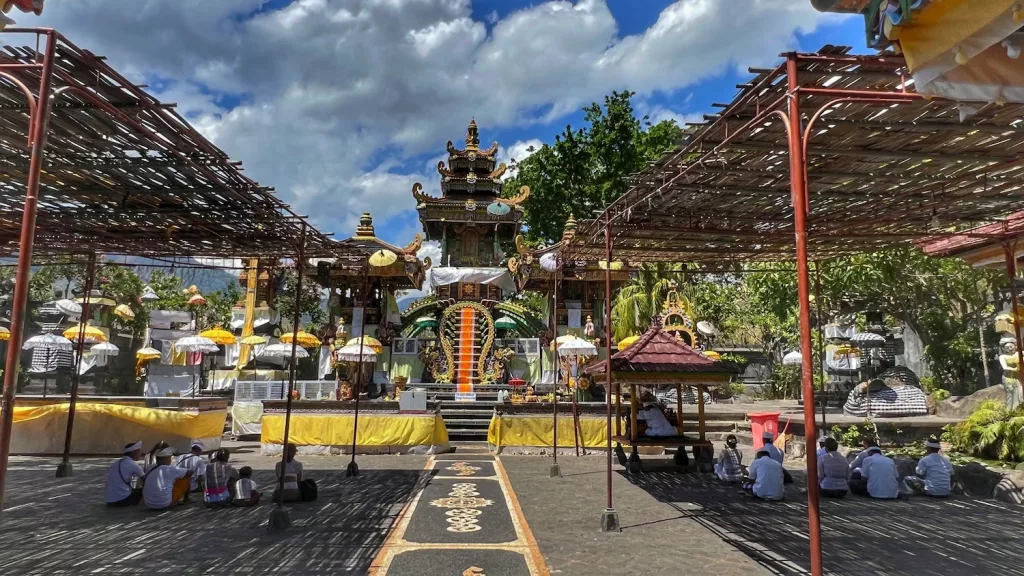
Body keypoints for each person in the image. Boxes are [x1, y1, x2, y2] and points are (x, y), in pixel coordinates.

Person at [142, 446, 193, 510]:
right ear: (166, 458)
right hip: (165, 504)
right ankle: (186, 500)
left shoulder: (149, 468)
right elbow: (190, 472)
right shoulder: (169, 469)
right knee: (186, 478)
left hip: (149, 504)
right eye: (170, 458)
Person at [105, 441, 145, 507]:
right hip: (121, 500)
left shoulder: (116, 463)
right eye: (139, 451)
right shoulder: (133, 465)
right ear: (133, 452)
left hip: (109, 501)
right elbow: (146, 479)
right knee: (145, 490)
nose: (140, 454)